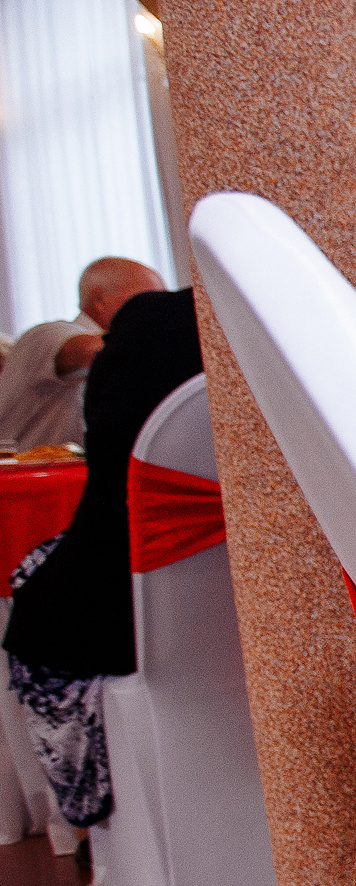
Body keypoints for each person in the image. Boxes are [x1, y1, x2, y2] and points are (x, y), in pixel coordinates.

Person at [1, 287, 203, 829]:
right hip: (211, 624)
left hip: (113, 620)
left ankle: (59, 817)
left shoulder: (142, 344)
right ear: (103, 297)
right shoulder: (50, 336)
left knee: (34, 595)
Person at [0, 257, 164, 449]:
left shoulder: (139, 355)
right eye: (149, 299)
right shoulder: (45, 336)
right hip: (30, 477)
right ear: (99, 301)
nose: (161, 309)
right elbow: (91, 351)